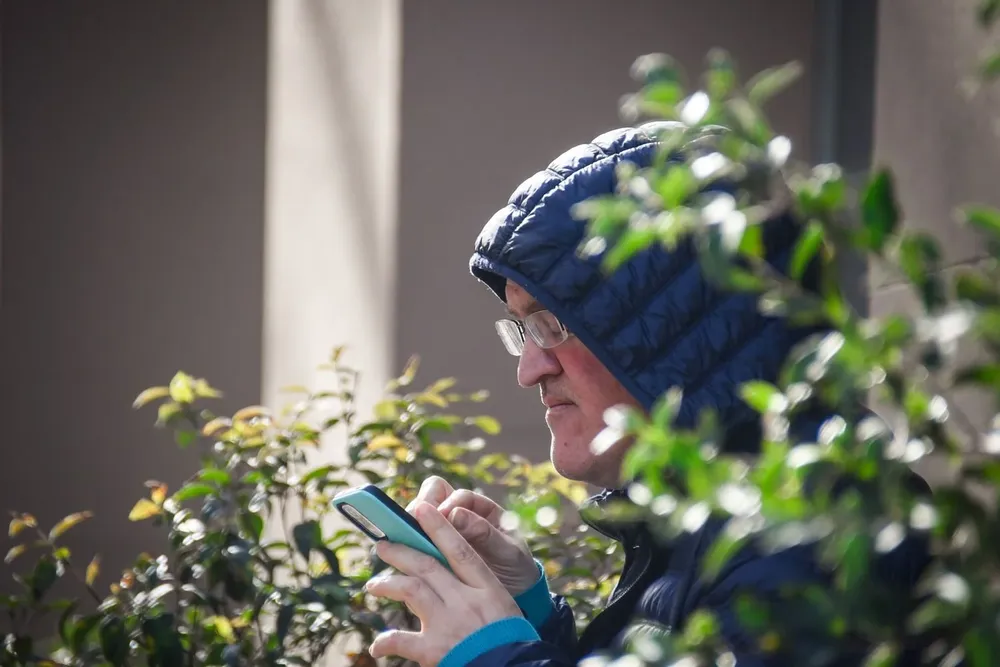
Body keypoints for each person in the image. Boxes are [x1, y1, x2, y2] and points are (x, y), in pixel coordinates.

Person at [363, 124, 930, 667]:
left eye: (552, 323)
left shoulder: (809, 536)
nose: (529, 370)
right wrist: (523, 616)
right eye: (521, 329)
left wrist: (495, 656)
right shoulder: (712, 519)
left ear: (675, 335)